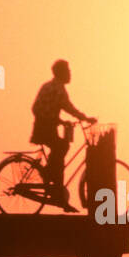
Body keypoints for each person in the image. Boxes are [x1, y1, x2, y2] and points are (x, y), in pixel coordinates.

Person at [31, 59, 95, 212]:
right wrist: (85, 118)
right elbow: (68, 107)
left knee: (59, 152)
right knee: (61, 149)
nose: (70, 74)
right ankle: (49, 178)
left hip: (43, 126)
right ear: (61, 73)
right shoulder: (58, 89)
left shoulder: (48, 86)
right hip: (45, 128)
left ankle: (54, 185)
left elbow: (38, 108)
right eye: (68, 71)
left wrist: (58, 120)